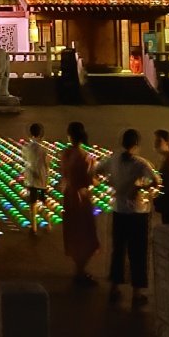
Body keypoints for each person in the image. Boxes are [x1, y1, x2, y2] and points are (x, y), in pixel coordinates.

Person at [96, 128, 157, 307]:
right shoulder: (140, 163)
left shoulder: (113, 158)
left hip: (119, 211)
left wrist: (112, 183)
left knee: (118, 250)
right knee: (137, 252)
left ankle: (114, 288)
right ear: (136, 145)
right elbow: (155, 181)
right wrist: (138, 188)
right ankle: (136, 294)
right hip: (137, 213)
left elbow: (96, 171)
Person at [58, 121, 100, 286]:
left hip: (68, 196)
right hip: (81, 199)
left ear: (70, 136)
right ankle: (80, 272)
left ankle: (79, 270)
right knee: (86, 234)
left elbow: (64, 173)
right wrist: (98, 179)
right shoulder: (85, 157)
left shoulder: (65, 153)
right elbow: (89, 180)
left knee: (74, 233)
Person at [22, 123, 50, 236]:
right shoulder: (43, 150)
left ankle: (33, 226)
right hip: (41, 178)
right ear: (40, 134)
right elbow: (47, 163)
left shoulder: (27, 148)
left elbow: (25, 160)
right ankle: (48, 223)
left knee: (32, 202)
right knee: (43, 200)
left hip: (31, 178)